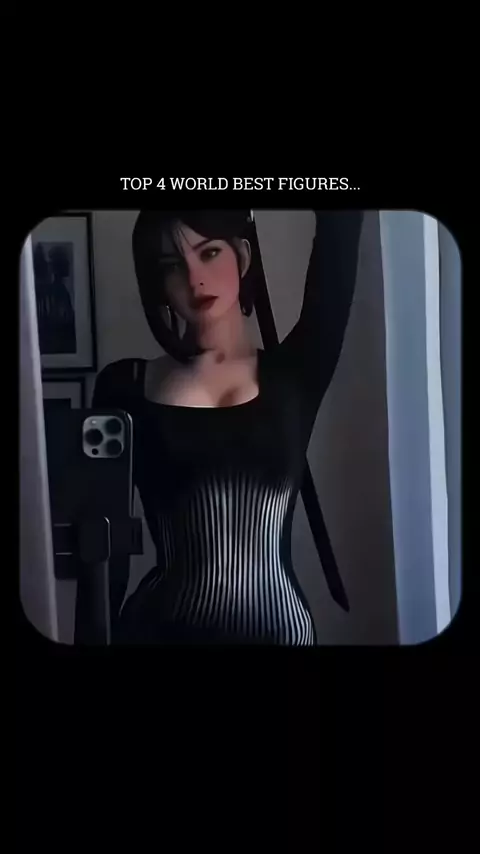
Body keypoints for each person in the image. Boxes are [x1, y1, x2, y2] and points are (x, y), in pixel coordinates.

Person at [92, 209, 364, 644]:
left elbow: (341, 225)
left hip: (280, 634)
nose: (194, 278)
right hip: (159, 634)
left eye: (209, 253)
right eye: (172, 265)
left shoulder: (297, 373)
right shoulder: (124, 386)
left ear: (243, 255)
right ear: (158, 283)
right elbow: (100, 549)